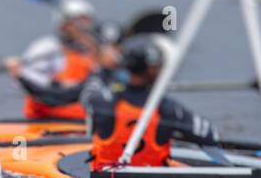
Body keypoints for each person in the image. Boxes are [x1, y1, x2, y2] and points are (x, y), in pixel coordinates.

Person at [89, 35, 219, 169]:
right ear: (151, 69)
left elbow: (88, 91)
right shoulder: (168, 108)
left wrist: (103, 69)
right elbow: (210, 135)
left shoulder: (102, 101)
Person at [4, 0, 97, 120]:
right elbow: (25, 80)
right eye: (78, 22)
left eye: (87, 21)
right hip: (46, 119)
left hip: (82, 119)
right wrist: (56, 84)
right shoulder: (47, 47)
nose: (84, 27)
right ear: (64, 25)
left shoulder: (95, 50)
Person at [83, 19, 128, 102]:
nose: (109, 52)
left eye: (115, 46)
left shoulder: (129, 73)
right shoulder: (85, 68)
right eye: (104, 46)